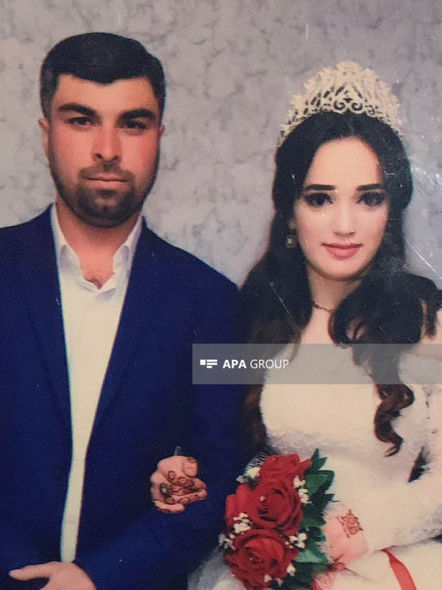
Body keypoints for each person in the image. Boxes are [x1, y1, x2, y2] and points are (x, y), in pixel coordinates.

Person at [151, 62, 442, 589]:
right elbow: (210, 452)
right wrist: (179, 475)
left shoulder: (427, 322)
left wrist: (357, 531)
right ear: (289, 211)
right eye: (320, 198)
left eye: (369, 198)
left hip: (390, 564)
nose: (345, 225)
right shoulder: (251, 316)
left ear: (391, 209)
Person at [0, 32, 245, 590]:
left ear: (159, 136)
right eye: (81, 120)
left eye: (133, 124)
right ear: (46, 132)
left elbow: (221, 474)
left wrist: (98, 578)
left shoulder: (216, 301)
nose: (107, 149)